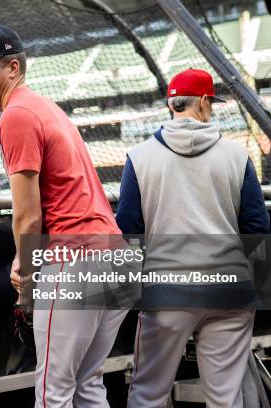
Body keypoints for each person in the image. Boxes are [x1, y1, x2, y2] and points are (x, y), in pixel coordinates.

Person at [0, 24, 127, 407]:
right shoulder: (44, 106)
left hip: (75, 261)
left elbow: (28, 217)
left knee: (53, 393)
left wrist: (26, 284)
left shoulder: (16, 114)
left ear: (13, 68)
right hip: (113, 257)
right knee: (88, 387)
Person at [116, 68, 270, 407]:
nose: (211, 108)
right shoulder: (236, 156)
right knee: (226, 398)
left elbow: (128, 230)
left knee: (148, 394)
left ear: (172, 104)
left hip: (167, 291)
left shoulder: (138, 157)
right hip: (229, 289)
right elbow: (257, 229)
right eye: (211, 103)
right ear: (202, 102)